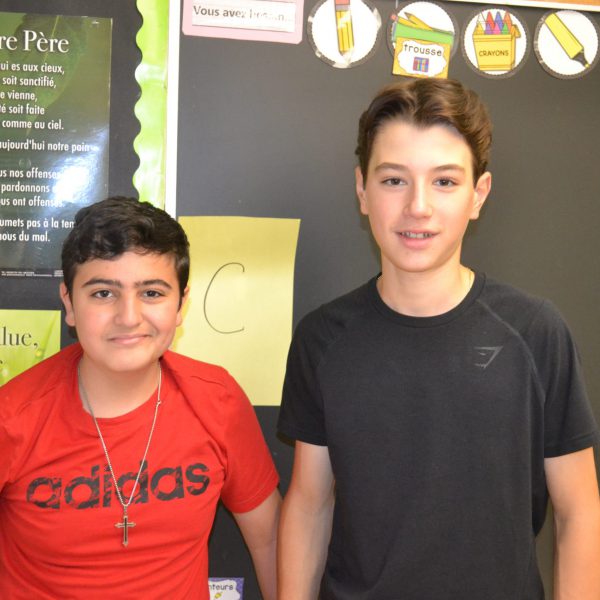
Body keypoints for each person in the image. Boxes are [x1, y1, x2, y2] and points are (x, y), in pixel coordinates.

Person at [277, 79, 600, 599]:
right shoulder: (323, 339)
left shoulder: (537, 333)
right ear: (362, 190)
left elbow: (579, 509)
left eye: (445, 181)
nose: (418, 207)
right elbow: (310, 503)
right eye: (394, 181)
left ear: (479, 195)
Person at [0, 197, 280, 599]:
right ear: (69, 304)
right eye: (102, 293)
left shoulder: (217, 400)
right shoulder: (13, 415)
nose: (129, 317)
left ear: (181, 304)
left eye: (151, 293)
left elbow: (269, 541)